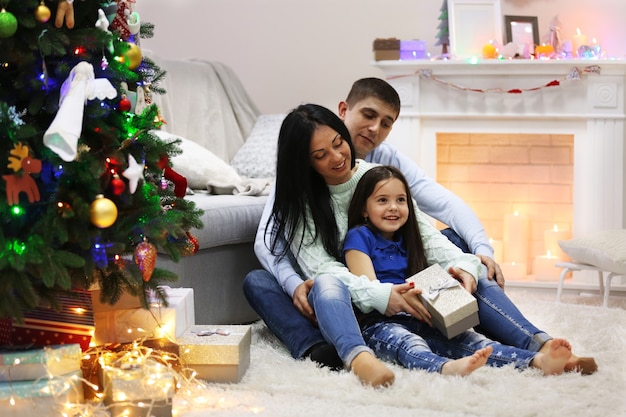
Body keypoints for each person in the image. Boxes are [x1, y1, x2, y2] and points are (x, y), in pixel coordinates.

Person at [243, 79, 596, 374]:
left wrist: (472, 263)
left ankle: (542, 346)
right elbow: (306, 261)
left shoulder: (376, 174)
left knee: (463, 266)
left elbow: (426, 228)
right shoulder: (298, 198)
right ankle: (335, 349)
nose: (336, 157)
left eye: (338, 145)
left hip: (401, 278)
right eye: (320, 155)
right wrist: (299, 286)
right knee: (298, 282)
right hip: (353, 296)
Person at [343, 165, 573, 376]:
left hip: (423, 316)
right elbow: (369, 289)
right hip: (379, 323)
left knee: (474, 342)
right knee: (409, 345)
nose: (393, 207)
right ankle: (445, 368)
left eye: (400, 200)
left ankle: (537, 361)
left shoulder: (410, 239)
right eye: (382, 200)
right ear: (364, 208)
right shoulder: (359, 236)